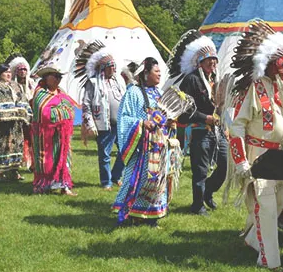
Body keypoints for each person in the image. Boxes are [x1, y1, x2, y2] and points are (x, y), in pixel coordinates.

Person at [226, 20, 283, 271]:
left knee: (278, 203)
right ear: (271, 63)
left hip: (280, 156)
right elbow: (237, 125)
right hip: (258, 154)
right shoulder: (253, 87)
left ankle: (253, 239)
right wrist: (241, 161)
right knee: (267, 206)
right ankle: (270, 261)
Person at [167, 30, 227, 215]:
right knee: (200, 170)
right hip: (199, 130)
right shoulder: (191, 80)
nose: (213, 62)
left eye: (214, 59)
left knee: (225, 164)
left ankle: (208, 190)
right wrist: (205, 117)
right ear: (199, 62)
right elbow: (184, 112)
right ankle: (198, 205)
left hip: (218, 131)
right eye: (208, 59)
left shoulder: (215, 80)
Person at [112, 57, 176, 226]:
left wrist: (169, 123)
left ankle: (151, 216)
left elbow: (164, 116)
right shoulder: (133, 92)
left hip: (158, 146)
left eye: (160, 72)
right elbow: (123, 117)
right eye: (156, 71)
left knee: (157, 180)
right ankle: (129, 213)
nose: (159, 75)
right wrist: (141, 123)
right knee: (138, 180)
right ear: (146, 73)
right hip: (141, 147)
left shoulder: (159, 93)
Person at [75, 41, 126, 190]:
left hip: (121, 123)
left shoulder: (119, 82)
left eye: (114, 65)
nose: (114, 68)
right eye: (111, 66)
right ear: (103, 68)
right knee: (105, 154)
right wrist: (89, 123)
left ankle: (116, 176)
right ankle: (106, 182)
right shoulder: (93, 83)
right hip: (104, 124)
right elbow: (86, 104)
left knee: (125, 151)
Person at [30, 65, 77, 195]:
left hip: (62, 135)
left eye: (60, 77)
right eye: (55, 76)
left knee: (63, 158)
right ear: (47, 77)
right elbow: (44, 113)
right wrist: (63, 112)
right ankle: (43, 185)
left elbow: (71, 109)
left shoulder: (61, 92)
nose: (58, 79)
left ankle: (64, 186)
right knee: (45, 160)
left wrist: (60, 113)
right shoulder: (40, 93)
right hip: (44, 136)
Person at [0, 63, 31, 180]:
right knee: (2, 147)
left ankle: (14, 171)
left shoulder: (16, 86)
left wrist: (23, 113)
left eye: (10, 72)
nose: (8, 74)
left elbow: (22, 99)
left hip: (16, 123)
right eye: (6, 72)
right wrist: (2, 114)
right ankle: (1, 172)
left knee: (16, 146)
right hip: (0, 124)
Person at [6, 54, 37, 170]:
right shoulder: (11, 85)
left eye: (25, 69)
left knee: (32, 138)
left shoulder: (32, 84)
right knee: (18, 138)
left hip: (31, 115)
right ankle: (20, 161)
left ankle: (33, 162)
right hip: (17, 115)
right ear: (16, 71)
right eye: (20, 69)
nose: (23, 72)